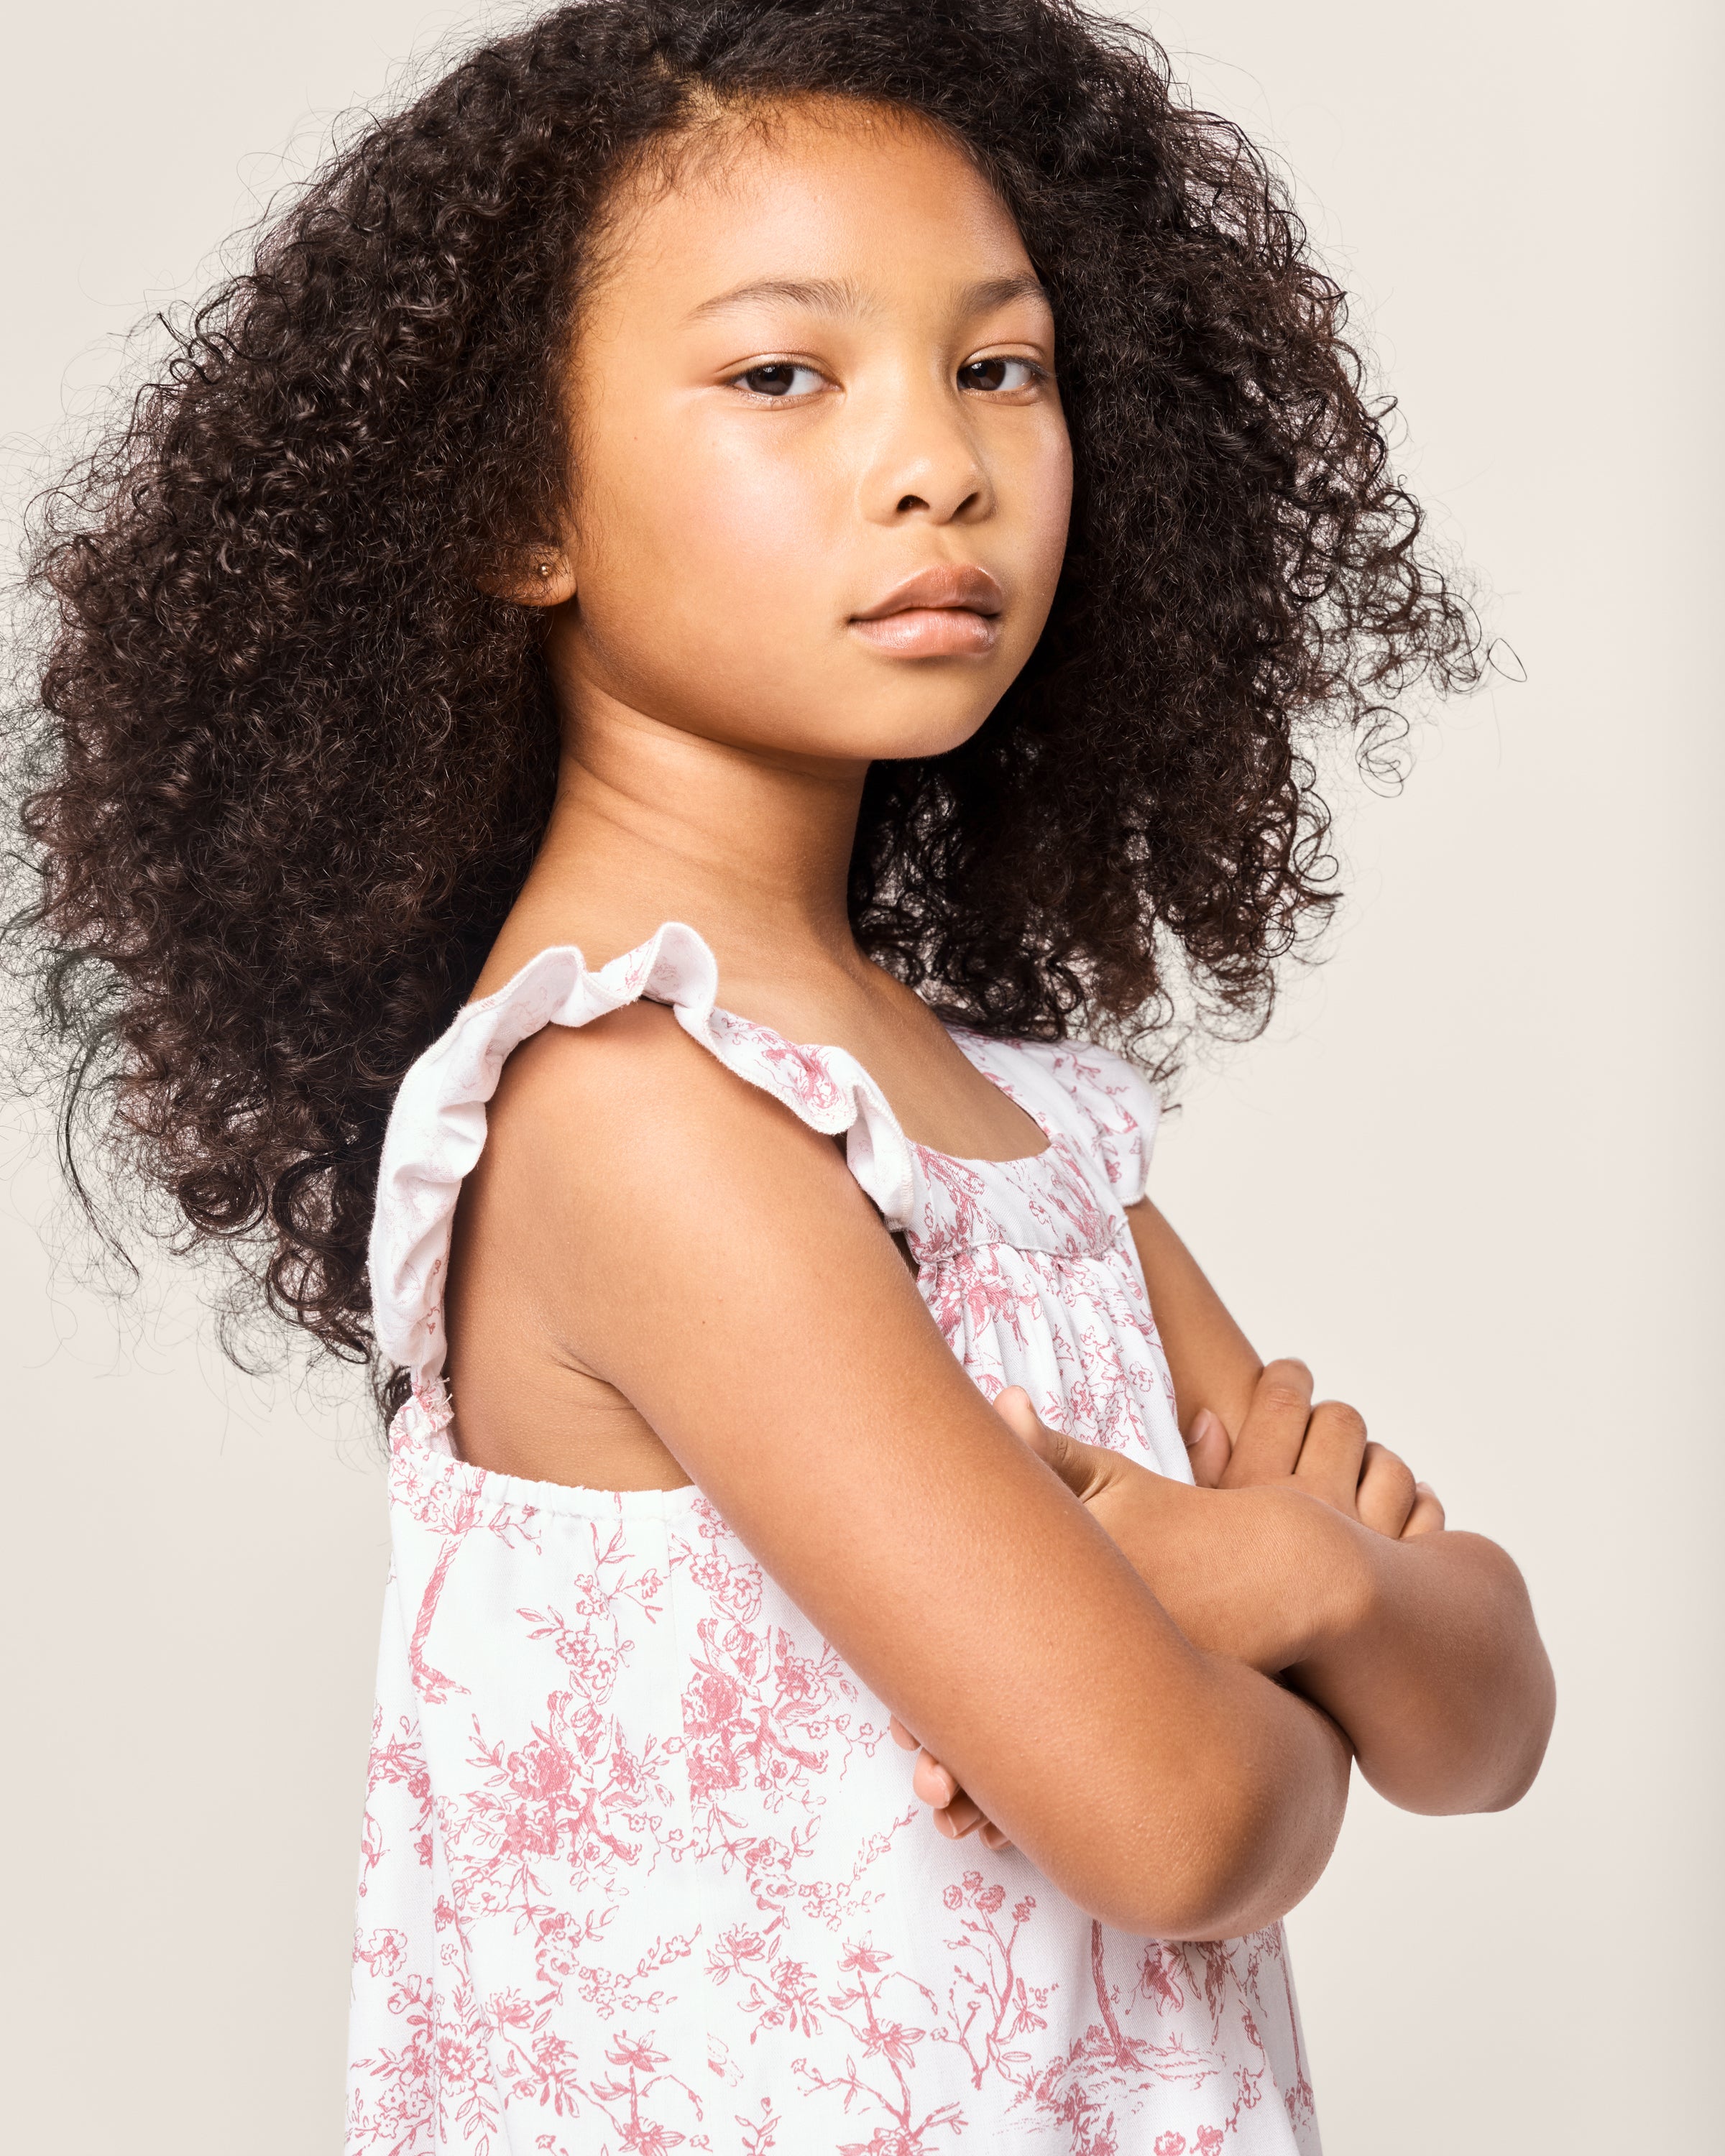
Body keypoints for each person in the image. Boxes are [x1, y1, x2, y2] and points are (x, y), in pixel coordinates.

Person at [12, 1, 1554, 2149]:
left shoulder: (1012, 1123)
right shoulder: (634, 1115)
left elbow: (1489, 1725)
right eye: (780, 376)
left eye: (999, 366)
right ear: (519, 504)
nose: (939, 462)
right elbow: (1186, 1825)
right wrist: (1291, 1620)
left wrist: (1315, 1588)